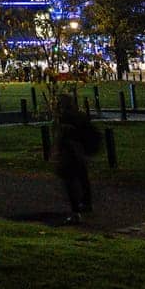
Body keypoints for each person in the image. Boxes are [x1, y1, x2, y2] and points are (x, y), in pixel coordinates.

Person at [54, 94, 99, 222]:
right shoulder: (80, 116)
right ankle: (86, 203)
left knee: (70, 182)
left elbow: (65, 137)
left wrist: (58, 151)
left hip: (70, 154)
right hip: (80, 154)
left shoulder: (65, 119)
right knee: (82, 178)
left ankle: (75, 212)